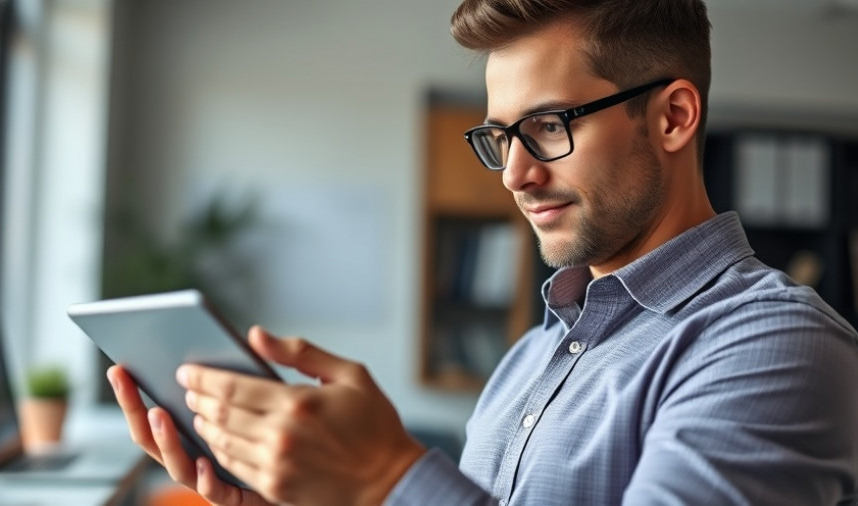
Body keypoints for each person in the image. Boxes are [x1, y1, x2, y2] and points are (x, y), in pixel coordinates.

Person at [108, 0, 858, 504]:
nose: (515, 174)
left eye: (549, 126)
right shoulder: (530, 357)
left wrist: (386, 475)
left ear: (671, 116)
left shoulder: (775, 343)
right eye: (500, 136)